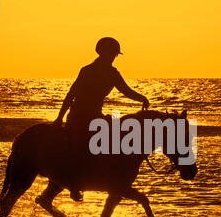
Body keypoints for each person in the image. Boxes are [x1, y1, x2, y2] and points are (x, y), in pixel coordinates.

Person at [53, 37, 150, 201]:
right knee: (82, 146)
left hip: (96, 115)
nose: (113, 57)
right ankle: (74, 184)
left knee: (115, 140)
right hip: (79, 116)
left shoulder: (113, 73)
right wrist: (60, 117)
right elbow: (72, 94)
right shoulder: (87, 70)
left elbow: (126, 90)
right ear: (102, 53)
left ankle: (113, 176)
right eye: (110, 54)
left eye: (114, 55)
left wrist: (142, 98)